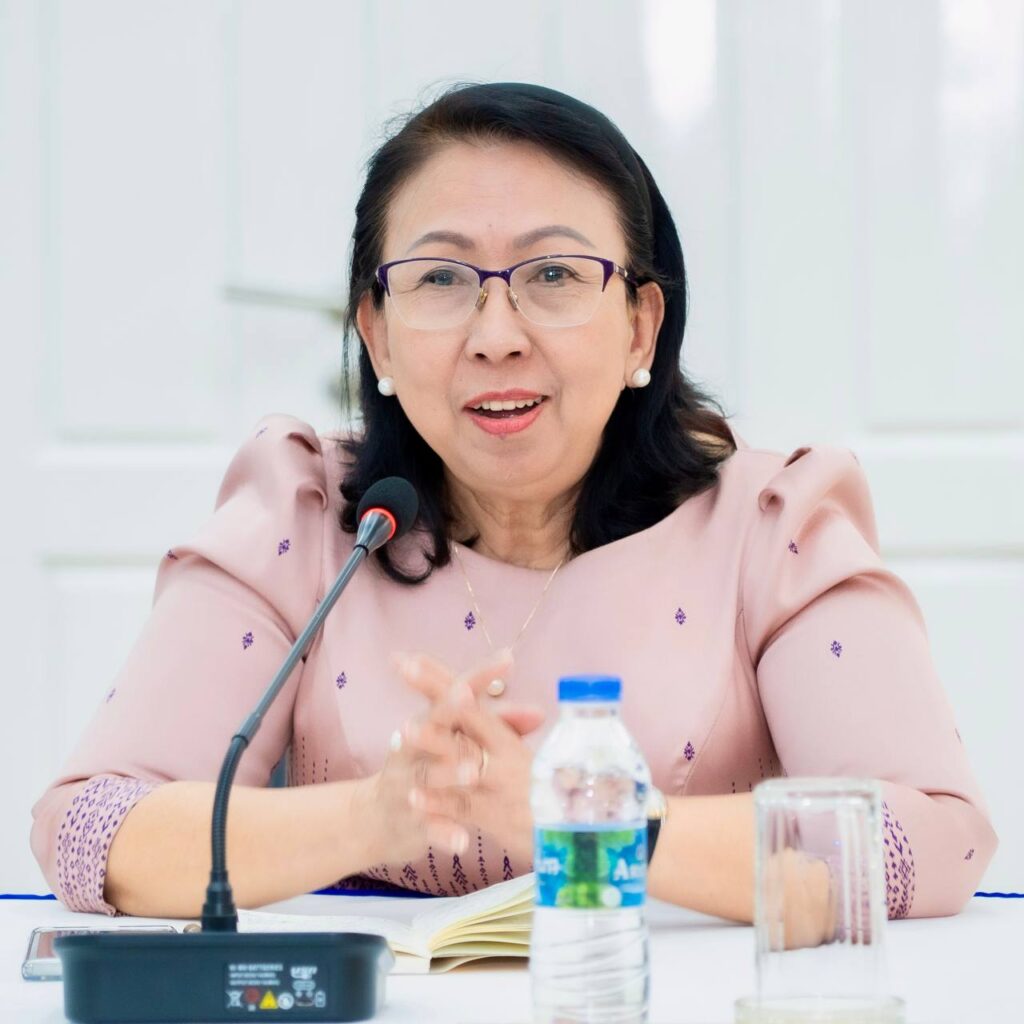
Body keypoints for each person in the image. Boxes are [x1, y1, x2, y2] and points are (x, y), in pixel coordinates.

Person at [31, 82, 995, 925]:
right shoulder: (306, 511)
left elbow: (932, 836)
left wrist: (583, 821)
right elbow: (87, 832)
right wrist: (377, 815)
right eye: (442, 279)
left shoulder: (772, 522)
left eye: (554, 275)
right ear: (377, 334)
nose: (497, 334)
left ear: (640, 326)